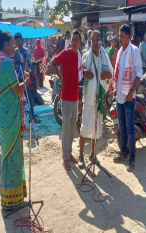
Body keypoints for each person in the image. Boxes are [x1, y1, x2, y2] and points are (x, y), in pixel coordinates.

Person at [0, 28, 28, 209]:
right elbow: (17, 89)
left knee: (9, 156)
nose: (15, 46)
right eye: (12, 43)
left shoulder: (1, 61)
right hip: (10, 117)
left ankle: (11, 198)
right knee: (12, 156)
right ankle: (12, 201)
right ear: (6, 44)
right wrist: (26, 83)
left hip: (6, 114)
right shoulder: (7, 64)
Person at [78, 30, 113, 167]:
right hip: (89, 96)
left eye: (98, 39)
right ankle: (81, 155)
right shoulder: (86, 56)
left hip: (101, 97)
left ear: (100, 41)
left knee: (97, 127)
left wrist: (106, 74)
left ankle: (93, 154)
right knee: (85, 126)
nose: (95, 42)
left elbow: (111, 73)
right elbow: (79, 73)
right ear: (90, 41)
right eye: (93, 39)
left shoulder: (104, 56)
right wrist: (86, 73)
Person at [50, 30, 83, 170]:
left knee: (72, 128)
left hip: (75, 96)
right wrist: (61, 78)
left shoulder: (79, 56)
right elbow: (52, 63)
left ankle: (69, 154)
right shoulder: (65, 53)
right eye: (73, 39)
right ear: (70, 41)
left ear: (80, 43)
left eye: (77, 40)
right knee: (66, 129)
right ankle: (65, 157)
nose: (75, 42)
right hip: (66, 96)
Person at [112, 24, 143, 172]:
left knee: (130, 129)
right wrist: (114, 89)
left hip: (129, 96)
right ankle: (123, 153)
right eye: (119, 36)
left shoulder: (134, 51)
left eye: (122, 36)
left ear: (128, 37)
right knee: (122, 127)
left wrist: (132, 91)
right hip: (119, 96)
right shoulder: (120, 53)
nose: (120, 39)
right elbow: (117, 73)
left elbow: (139, 73)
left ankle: (132, 159)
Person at [13, 33, 41, 124]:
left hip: (25, 78)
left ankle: (32, 117)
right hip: (17, 79)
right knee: (17, 99)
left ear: (22, 40)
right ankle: (18, 119)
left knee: (29, 98)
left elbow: (29, 64)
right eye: (17, 41)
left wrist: (29, 73)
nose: (19, 42)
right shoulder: (14, 52)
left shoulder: (26, 51)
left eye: (20, 40)